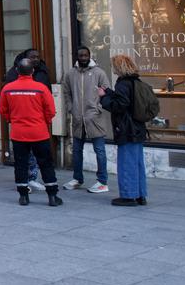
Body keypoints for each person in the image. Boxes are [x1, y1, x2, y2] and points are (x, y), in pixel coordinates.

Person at [0, 58, 62, 207]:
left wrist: (12, 120)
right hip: (39, 132)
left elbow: (3, 111)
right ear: (32, 71)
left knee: (21, 164)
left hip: (18, 133)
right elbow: (51, 111)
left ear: (17, 71)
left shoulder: (8, 89)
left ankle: (23, 196)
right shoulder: (41, 88)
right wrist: (44, 122)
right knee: (46, 163)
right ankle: (52, 196)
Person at [99, 55, 151, 206]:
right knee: (138, 163)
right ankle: (140, 195)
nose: (113, 68)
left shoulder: (123, 84)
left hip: (127, 129)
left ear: (119, 67)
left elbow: (120, 106)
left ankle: (128, 196)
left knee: (126, 163)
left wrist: (103, 98)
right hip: (137, 128)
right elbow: (126, 100)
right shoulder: (135, 81)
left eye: (114, 66)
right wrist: (109, 92)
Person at [61, 46, 111, 194]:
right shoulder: (70, 74)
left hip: (94, 118)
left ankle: (102, 182)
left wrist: (98, 108)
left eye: (85, 55)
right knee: (77, 150)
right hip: (77, 118)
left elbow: (106, 91)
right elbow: (66, 92)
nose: (83, 58)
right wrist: (71, 107)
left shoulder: (99, 73)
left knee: (99, 150)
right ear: (77, 56)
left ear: (89, 56)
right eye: (80, 55)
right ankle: (77, 178)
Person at [4, 49, 52, 192]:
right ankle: (27, 184)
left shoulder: (43, 72)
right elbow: (5, 108)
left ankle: (29, 182)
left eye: (38, 57)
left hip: (36, 124)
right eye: (33, 57)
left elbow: (48, 104)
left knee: (39, 158)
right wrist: (12, 119)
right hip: (25, 125)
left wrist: (45, 121)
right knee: (24, 158)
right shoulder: (13, 76)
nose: (36, 59)